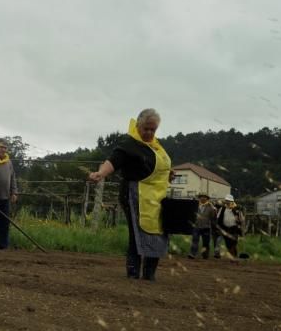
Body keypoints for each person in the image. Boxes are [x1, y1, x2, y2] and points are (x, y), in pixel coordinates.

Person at [89, 109, 172, 282]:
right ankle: (133, 273)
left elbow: (158, 169)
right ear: (138, 126)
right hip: (133, 195)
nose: (149, 133)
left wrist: (168, 175)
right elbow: (113, 161)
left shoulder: (156, 147)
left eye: (153, 130)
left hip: (155, 198)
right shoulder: (129, 144)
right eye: (146, 129)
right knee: (136, 233)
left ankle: (150, 274)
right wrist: (100, 173)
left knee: (157, 232)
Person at [188, 193, 216, 260]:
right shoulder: (196, 206)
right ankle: (192, 254)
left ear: (207, 199)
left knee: (206, 242)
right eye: (201, 197)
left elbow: (213, 217)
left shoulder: (210, 207)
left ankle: (205, 255)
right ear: (199, 198)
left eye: (205, 197)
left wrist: (213, 208)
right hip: (196, 226)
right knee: (195, 241)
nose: (203, 198)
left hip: (206, 227)